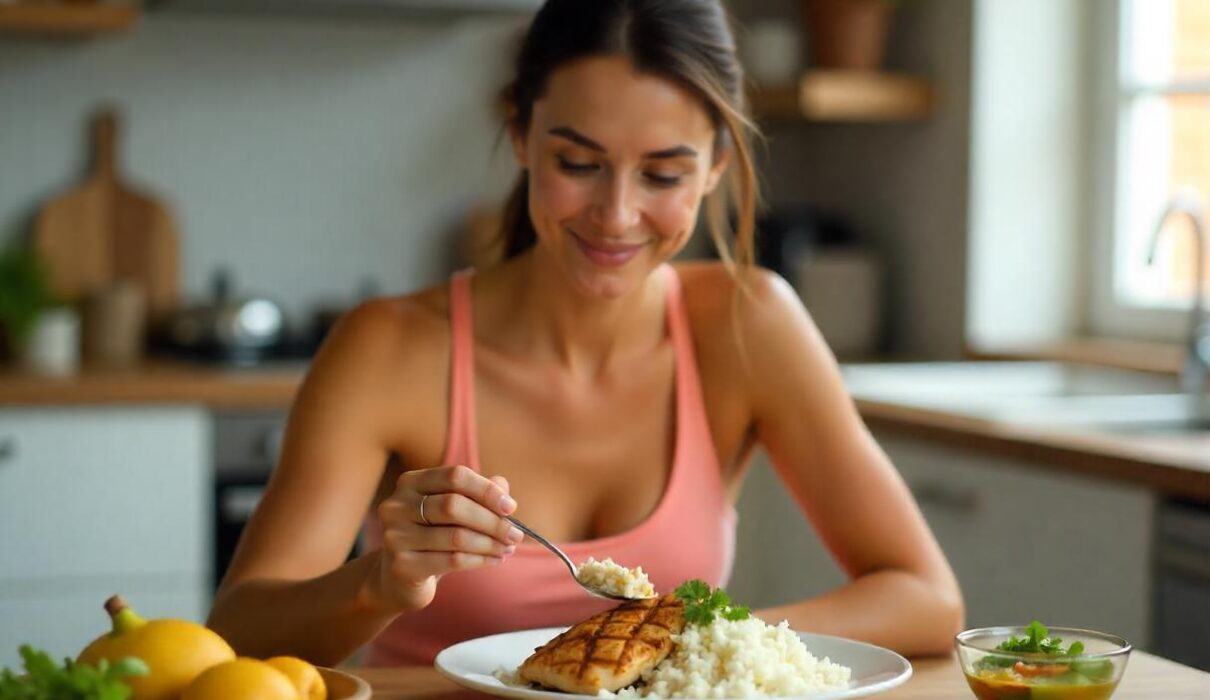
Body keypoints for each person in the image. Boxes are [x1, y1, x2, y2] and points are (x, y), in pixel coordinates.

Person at [207, 0, 964, 667]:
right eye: (578, 162)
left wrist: (697, 640)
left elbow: (927, 599)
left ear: (715, 167)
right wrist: (379, 585)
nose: (616, 214)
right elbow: (238, 634)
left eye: (663, 175)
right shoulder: (389, 346)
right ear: (520, 133)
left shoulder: (747, 325)